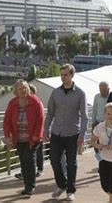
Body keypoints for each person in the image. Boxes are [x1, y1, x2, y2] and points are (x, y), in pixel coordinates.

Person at [44, 64, 88, 201]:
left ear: (72, 75)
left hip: (72, 133)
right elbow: (50, 113)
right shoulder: (55, 92)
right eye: (61, 75)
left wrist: (82, 135)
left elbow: (85, 116)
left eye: (65, 75)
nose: (63, 77)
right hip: (56, 132)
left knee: (71, 163)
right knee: (54, 160)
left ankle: (71, 190)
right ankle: (62, 184)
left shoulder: (80, 93)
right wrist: (45, 129)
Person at [3, 79, 44, 196]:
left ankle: (30, 187)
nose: (23, 90)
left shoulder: (35, 101)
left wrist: (36, 135)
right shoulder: (12, 103)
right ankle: (27, 185)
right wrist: (7, 137)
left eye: (25, 88)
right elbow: (6, 121)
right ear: (16, 91)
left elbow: (40, 120)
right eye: (20, 88)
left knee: (29, 160)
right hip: (19, 138)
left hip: (33, 138)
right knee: (23, 162)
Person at [15, 84, 44, 180]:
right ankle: (26, 175)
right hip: (22, 136)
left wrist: (37, 134)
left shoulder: (36, 103)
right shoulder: (17, 103)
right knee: (26, 157)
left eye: (29, 92)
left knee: (34, 155)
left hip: (36, 135)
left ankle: (37, 172)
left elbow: (40, 119)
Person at [92, 81, 112, 162]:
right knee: (97, 146)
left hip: (111, 126)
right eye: (101, 89)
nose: (102, 91)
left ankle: (108, 161)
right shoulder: (97, 97)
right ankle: (100, 161)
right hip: (99, 124)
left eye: (104, 90)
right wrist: (93, 123)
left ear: (108, 89)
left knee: (108, 145)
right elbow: (94, 110)